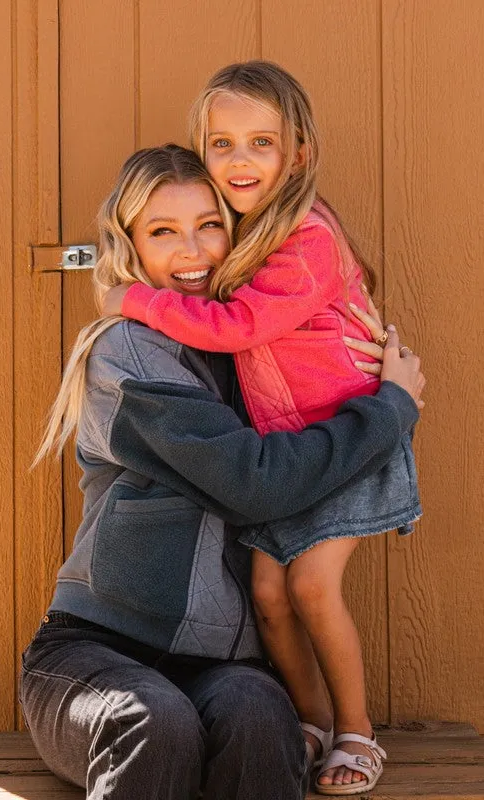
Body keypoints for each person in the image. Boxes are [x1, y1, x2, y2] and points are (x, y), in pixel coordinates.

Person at [21, 145, 424, 800]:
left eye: (210, 224)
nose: (192, 253)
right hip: (96, 654)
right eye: (161, 231)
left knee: (265, 727)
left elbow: (325, 375)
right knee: (154, 725)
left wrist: (363, 369)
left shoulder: (258, 345)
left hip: (223, 665)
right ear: (129, 246)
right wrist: (388, 411)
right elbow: (253, 482)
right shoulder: (129, 351)